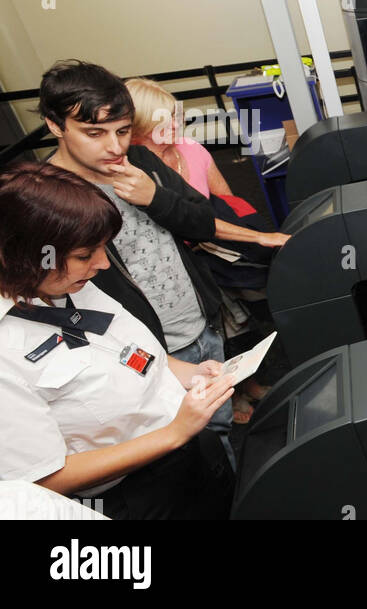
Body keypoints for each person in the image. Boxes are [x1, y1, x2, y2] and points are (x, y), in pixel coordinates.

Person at [38, 60, 284, 466]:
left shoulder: (141, 161)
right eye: (94, 133)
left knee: (219, 426)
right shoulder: (49, 196)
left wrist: (155, 196)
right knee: (182, 449)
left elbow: (202, 220)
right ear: (56, 126)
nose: (114, 147)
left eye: (120, 131)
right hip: (143, 347)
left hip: (198, 321)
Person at [0, 162, 237, 519]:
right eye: (84, 255)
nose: (103, 265)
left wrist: (190, 373)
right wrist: (174, 433)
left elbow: (128, 354)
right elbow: (44, 480)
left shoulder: (67, 282)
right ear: (25, 255)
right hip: (134, 496)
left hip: (189, 451)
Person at [124, 77, 233, 199]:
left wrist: (246, 217)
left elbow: (229, 201)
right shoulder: (131, 172)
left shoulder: (191, 147)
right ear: (138, 128)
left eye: (174, 116)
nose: (176, 125)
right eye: (163, 121)